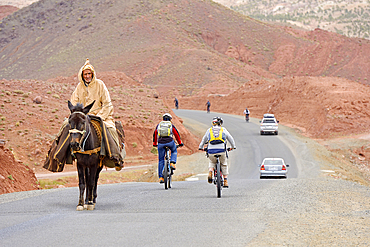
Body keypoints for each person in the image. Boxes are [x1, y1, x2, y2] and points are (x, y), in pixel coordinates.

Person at [57, 59, 125, 170]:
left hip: (100, 116)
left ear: (92, 74)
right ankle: (58, 156)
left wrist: (100, 117)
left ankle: (116, 157)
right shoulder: (79, 87)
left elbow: (107, 104)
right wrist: (77, 114)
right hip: (83, 117)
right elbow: (74, 102)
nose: (87, 76)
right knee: (66, 125)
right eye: (85, 74)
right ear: (82, 75)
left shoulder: (100, 85)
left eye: (89, 74)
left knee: (111, 129)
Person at [199, 117, 236, 188]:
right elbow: (230, 138)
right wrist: (233, 146)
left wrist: (201, 147)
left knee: (212, 161)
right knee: (224, 163)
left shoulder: (209, 130)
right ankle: (225, 181)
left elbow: (204, 139)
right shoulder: (223, 130)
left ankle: (210, 172)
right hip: (222, 149)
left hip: (211, 150)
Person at [153, 113, 184, 183]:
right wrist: (180, 143)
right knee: (174, 151)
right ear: (170, 119)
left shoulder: (159, 125)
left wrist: (154, 143)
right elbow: (176, 134)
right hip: (170, 142)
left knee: (161, 160)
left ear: (163, 118)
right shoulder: (170, 125)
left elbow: (155, 133)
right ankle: (172, 163)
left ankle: (161, 177)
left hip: (160, 143)